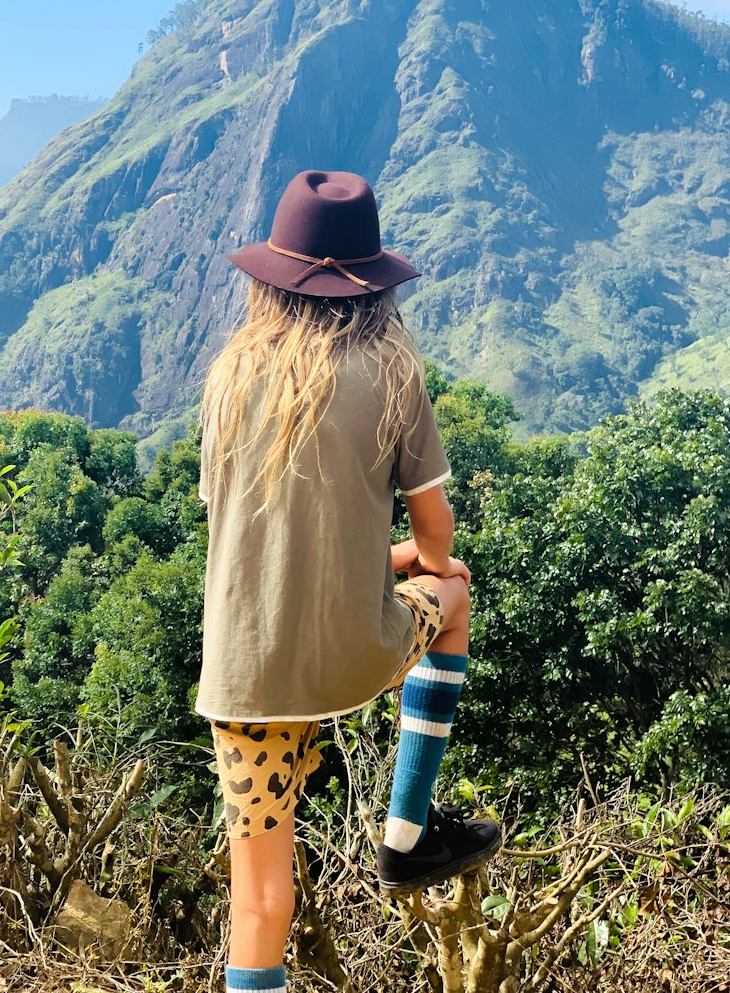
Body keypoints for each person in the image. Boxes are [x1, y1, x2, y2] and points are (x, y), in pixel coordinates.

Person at [196, 170, 501, 993]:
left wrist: (373, 558)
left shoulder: (229, 376)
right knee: (457, 593)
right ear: (373, 282)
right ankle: (407, 831)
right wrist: (411, 565)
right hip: (351, 650)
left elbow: (257, 539)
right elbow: (436, 540)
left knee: (259, 899)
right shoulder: (392, 370)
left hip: (244, 673)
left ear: (276, 277)